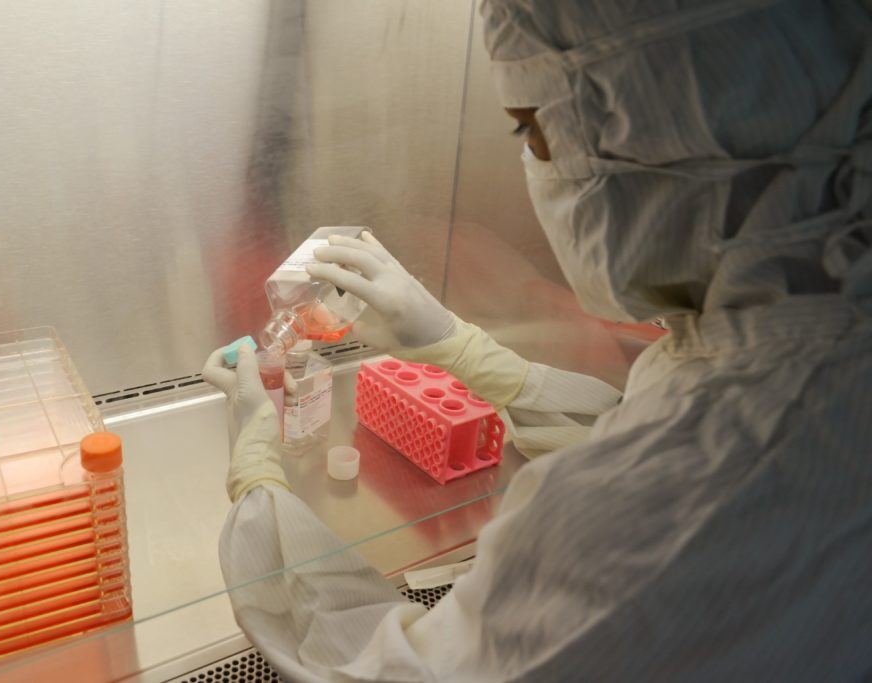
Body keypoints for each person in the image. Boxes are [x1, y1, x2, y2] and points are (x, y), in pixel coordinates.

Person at [202, 0, 872, 679]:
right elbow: (629, 432)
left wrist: (260, 482)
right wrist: (465, 351)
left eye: (533, 130)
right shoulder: (805, 340)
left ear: (672, 135)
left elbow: (387, 670)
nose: (536, 164)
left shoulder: (701, 486)